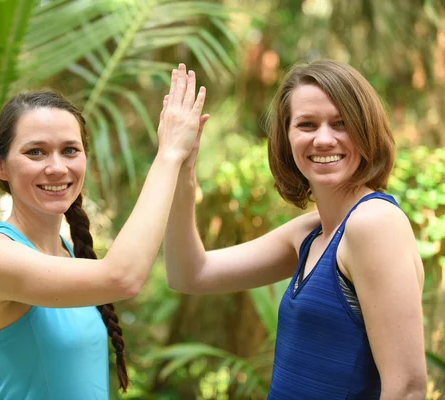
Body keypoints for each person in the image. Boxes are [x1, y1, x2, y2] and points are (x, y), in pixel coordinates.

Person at [164, 59, 427, 399]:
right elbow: (189, 275)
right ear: (286, 137)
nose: (323, 139)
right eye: (306, 124)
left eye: (341, 123)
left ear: (367, 130)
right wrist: (182, 165)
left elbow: (407, 389)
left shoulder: (373, 223)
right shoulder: (311, 233)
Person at [0, 63, 209, 399]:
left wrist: (183, 166)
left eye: (70, 150)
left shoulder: (68, 252)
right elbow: (123, 277)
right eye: (35, 152)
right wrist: (166, 155)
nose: (56, 167)